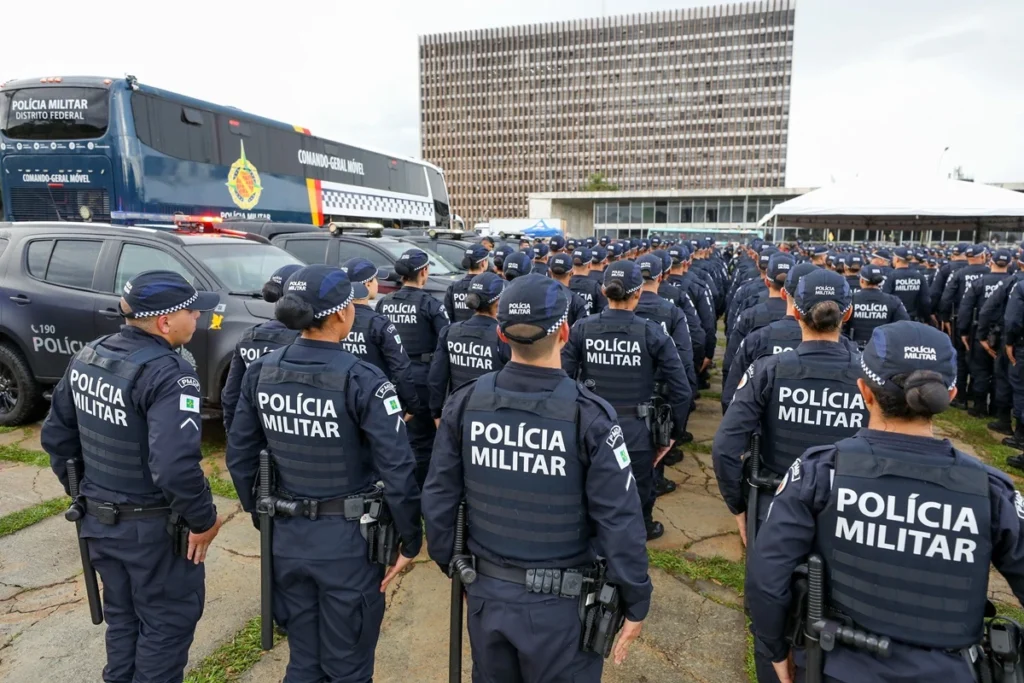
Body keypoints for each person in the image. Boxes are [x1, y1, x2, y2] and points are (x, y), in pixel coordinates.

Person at [746, 321, 1024, 683]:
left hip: (834, 668)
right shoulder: (991, 491)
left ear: (864, 390)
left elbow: (768, 578)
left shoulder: (821, 472)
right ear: (951, 395)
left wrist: (774, 651)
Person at [422, 273, 653, 682]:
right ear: (564, 332)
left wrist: (452, 566)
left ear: (500, 334)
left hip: (487, 593)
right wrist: (636, 598)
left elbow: (439, 498)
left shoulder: (466, 403)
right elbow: (619, 520)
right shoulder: (591, 416)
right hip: (560, 611)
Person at [225, 265, 422, 683]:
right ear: (341, 315)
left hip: (287, 536)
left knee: (304, 659)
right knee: (347, 664)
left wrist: (263, 517)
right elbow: (399, 469)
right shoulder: (363, 379)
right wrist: (410, 538)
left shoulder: (262, 371)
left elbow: (240, 455)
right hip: (348, 544)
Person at [41, 270, 224, 683]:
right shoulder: (170, 374)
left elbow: (56, 438)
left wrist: (86, 495)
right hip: (152, 533)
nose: (197, 318)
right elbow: (174, 465)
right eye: (192, 311)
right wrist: (203, 520)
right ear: (165, 322)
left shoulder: (90, 354)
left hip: (101, 525)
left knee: (123, 620)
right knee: (164, 627)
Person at [712, 268, 868, 683]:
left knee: (770, 609)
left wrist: (739, 506)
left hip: (777, 510)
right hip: (853, 515)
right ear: (847, 313)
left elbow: (727, 445)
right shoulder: (870, 376)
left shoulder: (769, 370)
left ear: (792, 308)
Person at [563, 261, 692, 540]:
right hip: (636, 432)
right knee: (639, 489)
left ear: (603, 291)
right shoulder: (653, 333)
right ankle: (641, 529)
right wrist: (670, 437)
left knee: (590, 483)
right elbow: (681, 389)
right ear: (638, 294)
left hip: (590, 426)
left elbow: (561, 379)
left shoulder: (582, 329)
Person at [378, 248, 450, 487]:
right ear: (424, 272)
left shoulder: (384, 303)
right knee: (423, 441)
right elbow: (446, 342)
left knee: (396, 435)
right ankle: (417, 491)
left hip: (390, 379)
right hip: (421, 379)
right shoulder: (431, 305)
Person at [634, 253, 698, 496]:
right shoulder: (672, 310)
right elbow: (686, 351)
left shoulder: (607, 313)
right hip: (658, 391)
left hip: (616, 396)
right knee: (653, 443)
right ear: (662, 275)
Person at [222, 264, 302, 433]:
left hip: (252, 429)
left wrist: (233, 436)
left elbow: (230, 396)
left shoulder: (249, 337)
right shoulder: (304, 339)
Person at [339, 257, 422, 418]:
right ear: (367, 284)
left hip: (340, 398)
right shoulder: (378, 323)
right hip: (373, 401)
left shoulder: (333, 319)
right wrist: (412, 405)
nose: (377, 283)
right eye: (376, 279)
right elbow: (400, 367)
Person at [427, 271, 511, 422]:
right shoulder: (504, 337)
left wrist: (437, 414)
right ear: (498, 302)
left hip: (457, 413)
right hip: (492, 418)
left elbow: (436, 378)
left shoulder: (450, 332)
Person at [957, 248, 1013, 418]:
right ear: (1010, 264)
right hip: (1004, 333)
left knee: (980, 371)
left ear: (991, 261)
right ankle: (997, 409)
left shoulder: (979, 283)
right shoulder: (1013, 283)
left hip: (980, 331)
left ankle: (979, 407)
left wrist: (963, 331)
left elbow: (966, 308)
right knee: (1000, 373)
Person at [843, 265, 910, 349]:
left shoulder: (850, 300)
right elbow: (904, 325)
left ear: (862, 280)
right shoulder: (893, 300)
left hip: (854, 350)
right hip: (882, 349)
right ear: (880, 282)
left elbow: (840, 325)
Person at [444, 243, 491, 323]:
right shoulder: (489, 287)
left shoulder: (454, 288)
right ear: (483, 263)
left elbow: (448, 318)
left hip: (457, 333)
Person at [883, 247, 931, 321]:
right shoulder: (919, 276)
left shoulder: (890, 276)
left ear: (897, 259)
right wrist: (926, 319)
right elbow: (925, 300)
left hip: (895, 319)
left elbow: (885, 298)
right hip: (913, 319)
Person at [547, 252, 594, 326]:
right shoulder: (578, 302)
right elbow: (583, 328)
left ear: (549, 271)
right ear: (572, 272)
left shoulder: (539, 295)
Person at [569, 247, 608, 314]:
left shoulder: (565, 284)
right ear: (590, 265)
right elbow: (602, 311)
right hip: (590, 323)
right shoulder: (595, 287)